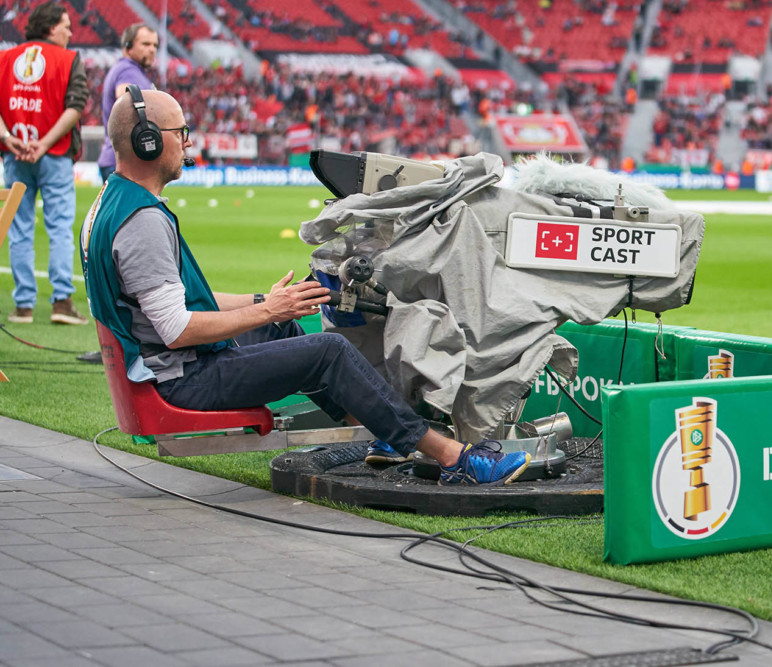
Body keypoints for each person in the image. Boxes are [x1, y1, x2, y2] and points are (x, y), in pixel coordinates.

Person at [81, 88, 530, 486]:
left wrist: (268, 303)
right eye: (180, 131)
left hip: (163, 367)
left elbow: (168, 303)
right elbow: (176, 329)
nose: (188, 141)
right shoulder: (143, 222)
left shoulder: (114, 201)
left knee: (284, 330)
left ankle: (384, 432)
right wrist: (267, 311)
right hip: (180, 378)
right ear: (149, 141)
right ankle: (454, 458)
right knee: (328, 351)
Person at [0, 1, 89, 325]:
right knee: (60, 227)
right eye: (66, 26)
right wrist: (45, 143)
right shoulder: (68, 59)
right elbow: (75, 106)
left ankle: (23, 305)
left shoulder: (5, 58)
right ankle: (61, 302)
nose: (70, 32)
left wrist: (9, 138)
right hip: (54, 154)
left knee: (20, 228)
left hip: (14, 154)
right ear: (52, 28)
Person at [97, 23, 158, 182]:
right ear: (128, 46)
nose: (152, 49)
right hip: (127, 163)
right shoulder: (128, 71)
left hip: (119, 160)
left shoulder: (128, 70)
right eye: (146, 44)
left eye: (155, 45)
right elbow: (125, 107)